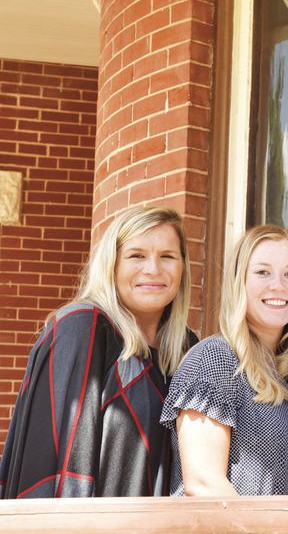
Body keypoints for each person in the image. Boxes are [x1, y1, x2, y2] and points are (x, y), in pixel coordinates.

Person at [0, 206, 196, 498]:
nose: (153, 268)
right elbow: (52, 463)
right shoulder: (83, 328)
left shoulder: (188, 349)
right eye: (136, 255)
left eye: (167, 256)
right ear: (112, 264)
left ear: (182, 267)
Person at [162, 225, 288, 495]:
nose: (278, 285)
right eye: (262, 272)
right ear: (239, 281)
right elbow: (204, 484)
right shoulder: (215, 360)